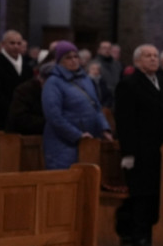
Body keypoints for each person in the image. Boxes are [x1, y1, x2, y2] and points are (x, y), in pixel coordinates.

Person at [115, 44, 163, 246]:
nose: (153, 59)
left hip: (161, 146)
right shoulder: (129, 84)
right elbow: (125, 121)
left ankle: (154, 230)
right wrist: (128, 152)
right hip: (140, 147)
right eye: (148, 56)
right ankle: (138, 233)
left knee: (157, 190)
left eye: (155, 55)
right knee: (142, 192)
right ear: (137, 61)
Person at [42, 42, 113, 170]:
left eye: (76, 57)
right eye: (68, 58)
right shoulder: (53, 82)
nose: (74, 60)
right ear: (59, 61)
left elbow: (96, 106)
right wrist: (77, 135)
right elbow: (54, 116)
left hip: (88, 141)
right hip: (63, 144)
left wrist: (104, 128)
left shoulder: (85, 79)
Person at [0, 29, 32, 130]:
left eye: (19, 43)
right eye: (12, 43)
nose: (16, 46)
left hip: (23, 118)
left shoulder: (27, 67)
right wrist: (13, 110)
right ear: (3, 44)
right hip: (0, 119)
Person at [6, 62, 55, 135]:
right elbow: (19, 119)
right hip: (23, 137)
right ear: (40, 79)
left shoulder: (60, 91)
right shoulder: (24, 91)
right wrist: (52, 123)